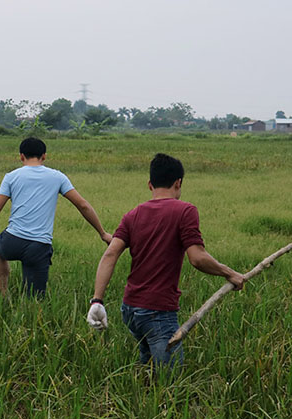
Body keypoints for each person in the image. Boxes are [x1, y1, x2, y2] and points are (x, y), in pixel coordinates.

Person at [86, 153, 245, 367]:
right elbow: (197, 258)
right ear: (178, 182)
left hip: (130, 309)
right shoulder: (185, 211)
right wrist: (230, 273)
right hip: (157, 311)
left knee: (148, 366)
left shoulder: (132, 215)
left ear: (150, 184)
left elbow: (110, 254)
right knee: (168, 381)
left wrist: (97, 300)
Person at [0, 136, 112, 297]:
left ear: (21, 156)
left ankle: (5, 294)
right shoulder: (58, 177)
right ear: (44, 156)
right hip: (39, 246)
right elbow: (83, 205)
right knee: (35, 298)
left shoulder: (11, 177)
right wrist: (102, 233)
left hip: (12, 240)